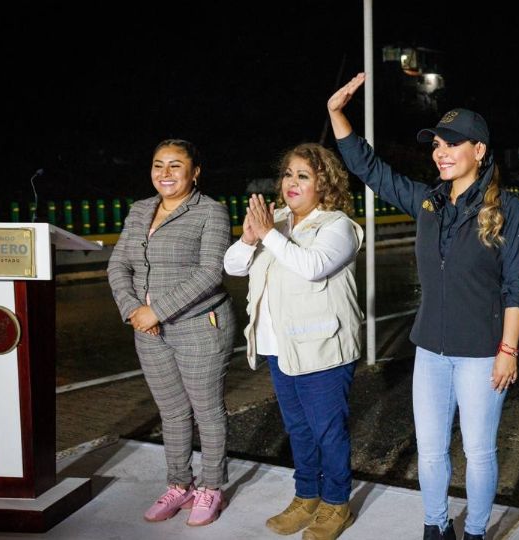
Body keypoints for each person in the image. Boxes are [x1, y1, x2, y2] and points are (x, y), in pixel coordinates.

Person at [327, 73, 519, 540]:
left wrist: (509, 349)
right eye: (437, 143)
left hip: (483, 353)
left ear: (479, 151)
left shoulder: (507, 208)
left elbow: (517, 286)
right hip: (430, 352)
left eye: (452, 144)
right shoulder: (427, 202)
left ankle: (476, 531)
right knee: (432, 448)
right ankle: (435, 526)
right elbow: (371, 169)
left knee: (479, 451)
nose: (440, 151)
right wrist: (337, 116)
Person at [223, 143, 363, 540]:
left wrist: (269, 234)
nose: (292, 183)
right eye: (288, 174)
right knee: (298, 429)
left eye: (304, 175)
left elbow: (313, 267)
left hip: (322, 350)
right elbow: (232, 266)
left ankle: (337, 504)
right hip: (278, 348)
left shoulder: (337, 226)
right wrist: (252, 237)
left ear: (325, 182)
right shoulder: (277, 221)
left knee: (327, 430)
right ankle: (306, 496)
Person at [107, 138, 237, 526]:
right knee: (172, 412)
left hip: (200, 326)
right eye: (158, 165)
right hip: (147, 330)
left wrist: (156, 310)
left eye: (175, 165)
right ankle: (179, 485)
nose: (165, 173)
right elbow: (118, 265)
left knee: (207, 411)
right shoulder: (139, 210)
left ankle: (211, 487)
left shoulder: (210, 212)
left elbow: (211, 272)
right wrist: (133, 311)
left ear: (195, 172)